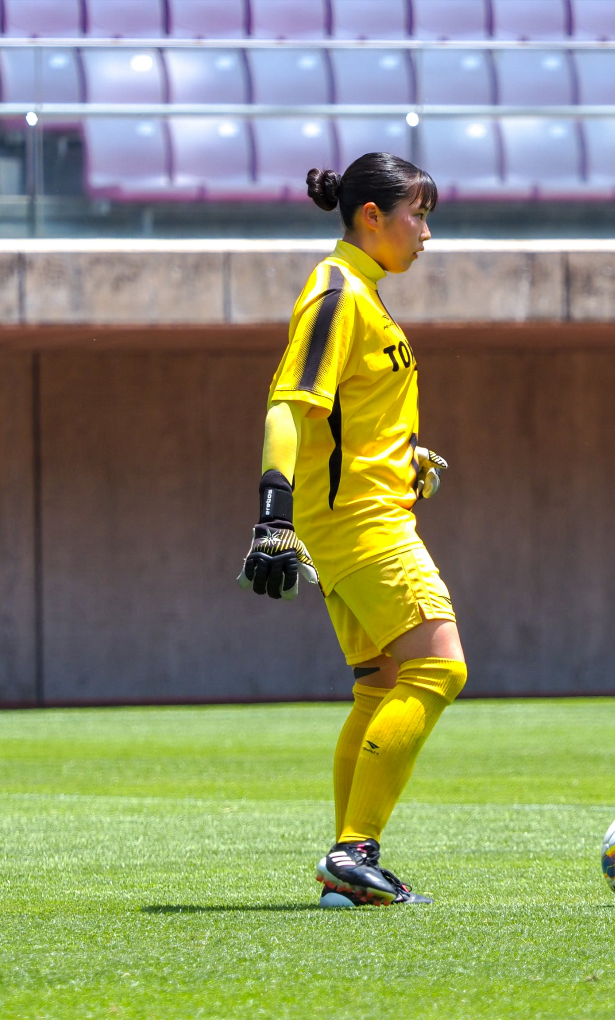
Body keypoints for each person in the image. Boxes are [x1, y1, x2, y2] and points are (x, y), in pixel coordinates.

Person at [238, 153, 463, 907]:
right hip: (359, 524)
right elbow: (289, 404)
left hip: (360, 511)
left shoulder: (363, 291)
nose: (426, 234)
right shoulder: (337, 293)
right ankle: (353, 849)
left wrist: (403, 457)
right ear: (373, 215)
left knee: (382, 684)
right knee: (440, 666)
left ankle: (351, 872)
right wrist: (273, 518)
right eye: (418, 215)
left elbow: (347, 414)